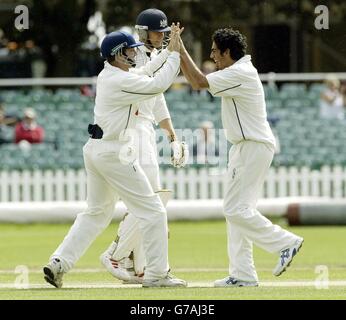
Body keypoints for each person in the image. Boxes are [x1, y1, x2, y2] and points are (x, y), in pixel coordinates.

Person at [43, 27, 187, 288]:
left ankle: (58, 262)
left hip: (98, 150)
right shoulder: (119, 80)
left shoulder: (114, 74)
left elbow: (145, 71)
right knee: (153, 211)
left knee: (96, 213)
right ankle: (156, 274)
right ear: (118, 54)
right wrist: (175, 55)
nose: (135, 52)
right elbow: (157, 84)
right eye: (130, 49)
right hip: (115, 153)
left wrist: (167, 50)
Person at [179, 26, 303, 287]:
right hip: (245, 147)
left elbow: (198, 82)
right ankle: (243, 274)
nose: (212, 55)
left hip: (252, 146)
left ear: (226, 51)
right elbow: (197, 80)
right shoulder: (235, 72)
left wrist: (179, 49)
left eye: (214, 50)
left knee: (235, 209)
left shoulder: (239, 73)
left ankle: (285, 242)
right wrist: (178, 51)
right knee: (238, 210)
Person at [99, 8, 188, 284]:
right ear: (142, 33)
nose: (161, 37)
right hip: (132, 133)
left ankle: (139, 265)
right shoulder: (130, 58)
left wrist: (172, 135)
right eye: (157, 32)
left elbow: (158, 97)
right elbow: (155, 85)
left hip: (145, 131)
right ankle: (118, 253)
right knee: (152, 202)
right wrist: (172, 53)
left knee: (153, 200)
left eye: (164, 33)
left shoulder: (144, 58)